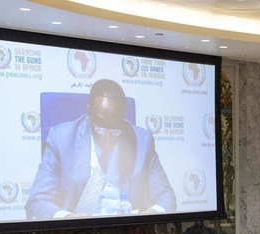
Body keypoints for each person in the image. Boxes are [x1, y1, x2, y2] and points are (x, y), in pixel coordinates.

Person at [26, 79, 174, 218]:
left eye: (115, 128)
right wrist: (69, 218)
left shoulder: (142, 140)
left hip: (126, 231)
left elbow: (166, 195)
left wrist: (153, 212)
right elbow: (38, 201)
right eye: (101, 127)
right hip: (77, 232)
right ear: (89, 111)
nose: (108, 135)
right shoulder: (61, 139)